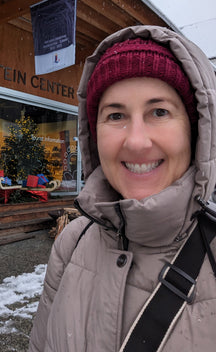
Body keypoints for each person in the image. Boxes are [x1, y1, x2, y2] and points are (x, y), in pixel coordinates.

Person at [28, 25, 216, 352]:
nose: (136, 141)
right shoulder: (72, 242)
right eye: (116, 115)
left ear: (196, 132)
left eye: (159, 111)